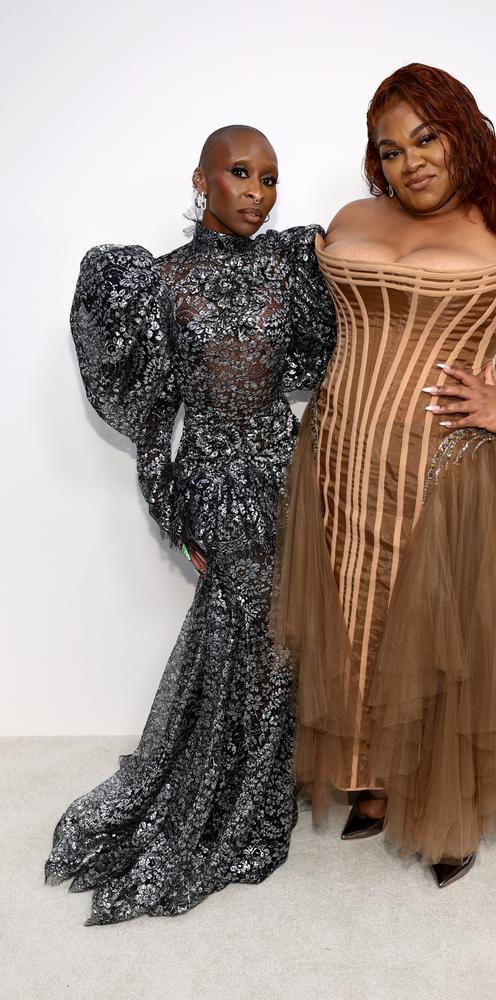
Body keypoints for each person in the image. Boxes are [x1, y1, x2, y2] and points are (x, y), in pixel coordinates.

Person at [271, 65, 496, 888]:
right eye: (390, 151)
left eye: (426, 138)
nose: (412, 163)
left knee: (444, 635)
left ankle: (449, 804)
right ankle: (372, 780)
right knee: (352, 616)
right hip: (339, 454)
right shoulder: (352, 218)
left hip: (453, 466)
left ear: (463, 132)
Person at [44, 125, 335, 923]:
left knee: (285, 636)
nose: (257, 191)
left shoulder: (291, 266)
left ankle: (264, 785)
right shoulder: (157, 281)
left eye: (270, 178)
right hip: (215, 478)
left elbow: (336, 352)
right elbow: (153, 416)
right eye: (240, 173)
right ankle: (230, 801)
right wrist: (174, 516)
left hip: (288, 471)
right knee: (255, 628)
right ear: (201, 179)